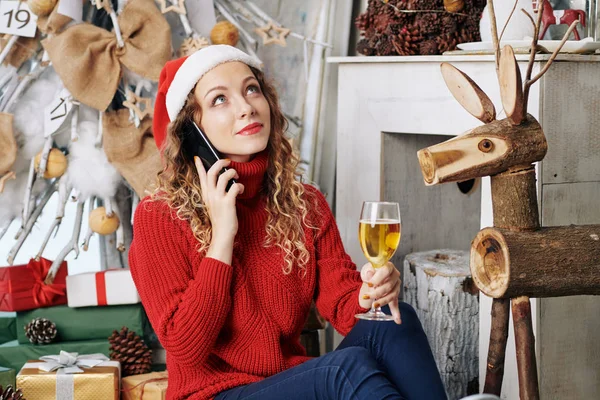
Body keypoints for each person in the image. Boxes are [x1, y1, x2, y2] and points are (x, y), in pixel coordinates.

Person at [129, 45, 447, 400]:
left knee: (394, 321)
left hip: (288, 382)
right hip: (212, 395)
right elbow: (186, 347)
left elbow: (343, 306)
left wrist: (370, 293)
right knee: (345, 369)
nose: (246, 106)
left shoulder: (303, 202)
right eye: (220, 99)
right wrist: (222, 236)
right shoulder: (159, 215)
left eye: (251, 89)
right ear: (192, 130)